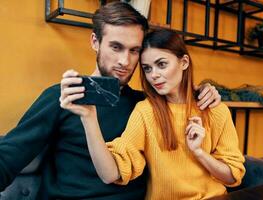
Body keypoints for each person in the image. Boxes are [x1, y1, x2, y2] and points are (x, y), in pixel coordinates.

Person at [0, 2, 221, 200]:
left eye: (134, 51)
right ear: (95, 42)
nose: (124, 61)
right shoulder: (64, 96)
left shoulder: (147, 105)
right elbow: (8, 157)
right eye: (116, 47)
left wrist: (202, 91)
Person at [60, 29, 245, 200]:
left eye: (161, 64)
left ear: (184, 62)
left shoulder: (216, 110)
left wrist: (199, 152)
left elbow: (232, 177)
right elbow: (110, 174)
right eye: (147, 68)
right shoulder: (145, 112)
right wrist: (89, 118)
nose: (153, 75)